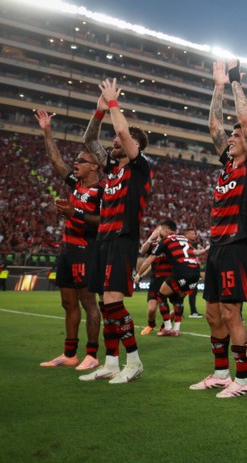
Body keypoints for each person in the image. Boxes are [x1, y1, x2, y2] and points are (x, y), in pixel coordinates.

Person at [190, 60, 247, 398]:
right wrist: (218, 85)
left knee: (230, 313)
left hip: (238, 244)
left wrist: (236, 82)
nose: (233, 137)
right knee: (212, 314)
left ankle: (244, 380)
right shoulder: (227, 164)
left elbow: (246, 122)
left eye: (238, 136)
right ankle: (222, 374)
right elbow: (214, 126)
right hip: (218, 245)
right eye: (232, 136)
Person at [79, 80, 152, 384]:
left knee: (113, 301)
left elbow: (122, 130)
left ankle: (134, 361)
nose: (115, 140)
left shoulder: (140, 167)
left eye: (122, 140)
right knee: (104, 302)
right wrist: (99, 112)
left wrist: (112, 103)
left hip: (123, 238)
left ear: (135, 146)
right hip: (104, 239)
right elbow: (89, 140)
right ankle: (110, 362)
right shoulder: (111, 168)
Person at [36, 109, 102, 371]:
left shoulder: (102, 190)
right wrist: (47, 131)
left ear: (94, 166)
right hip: (67, 251)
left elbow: (104, 221)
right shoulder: (77, 185)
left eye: (82, 160)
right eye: (76, 159)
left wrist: (74, 213)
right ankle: (70, 354)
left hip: (86, 251)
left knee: (88, 303)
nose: (76, 162)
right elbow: (56, 162)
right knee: (68, 303)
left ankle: (92, 355)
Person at [134, 219, 201, 337]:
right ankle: (164, 327)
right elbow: (143, 253)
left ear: (164, 229)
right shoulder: (180, 239)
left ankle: (167, 328)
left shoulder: (167, 241)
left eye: (160, 229)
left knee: (168, 298)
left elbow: (149, 260)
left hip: (175, 275)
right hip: (171, 276)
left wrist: (138, 274)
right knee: (155, 308)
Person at [136, 225, 172, 335]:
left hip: (170, 280)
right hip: (156, 280)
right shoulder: (153, 245)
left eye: (161, 230)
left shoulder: (171, 243)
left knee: (177, 307)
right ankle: (151, 325)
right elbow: (142, 251)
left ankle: (165, 327)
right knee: (151, 309)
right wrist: (150, 238)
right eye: (157, 230)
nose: (158, 232)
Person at [184, 227, 207, 318]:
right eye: (193, 234)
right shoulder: (186, 244)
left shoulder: (191, 244)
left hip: (191, 270)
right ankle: (192, 312)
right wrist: (205, 250)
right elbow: (193, 253)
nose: (195, 235)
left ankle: (188, 311)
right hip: (188, 270)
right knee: (189, 291)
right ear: (187, 234)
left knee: (191, 291)